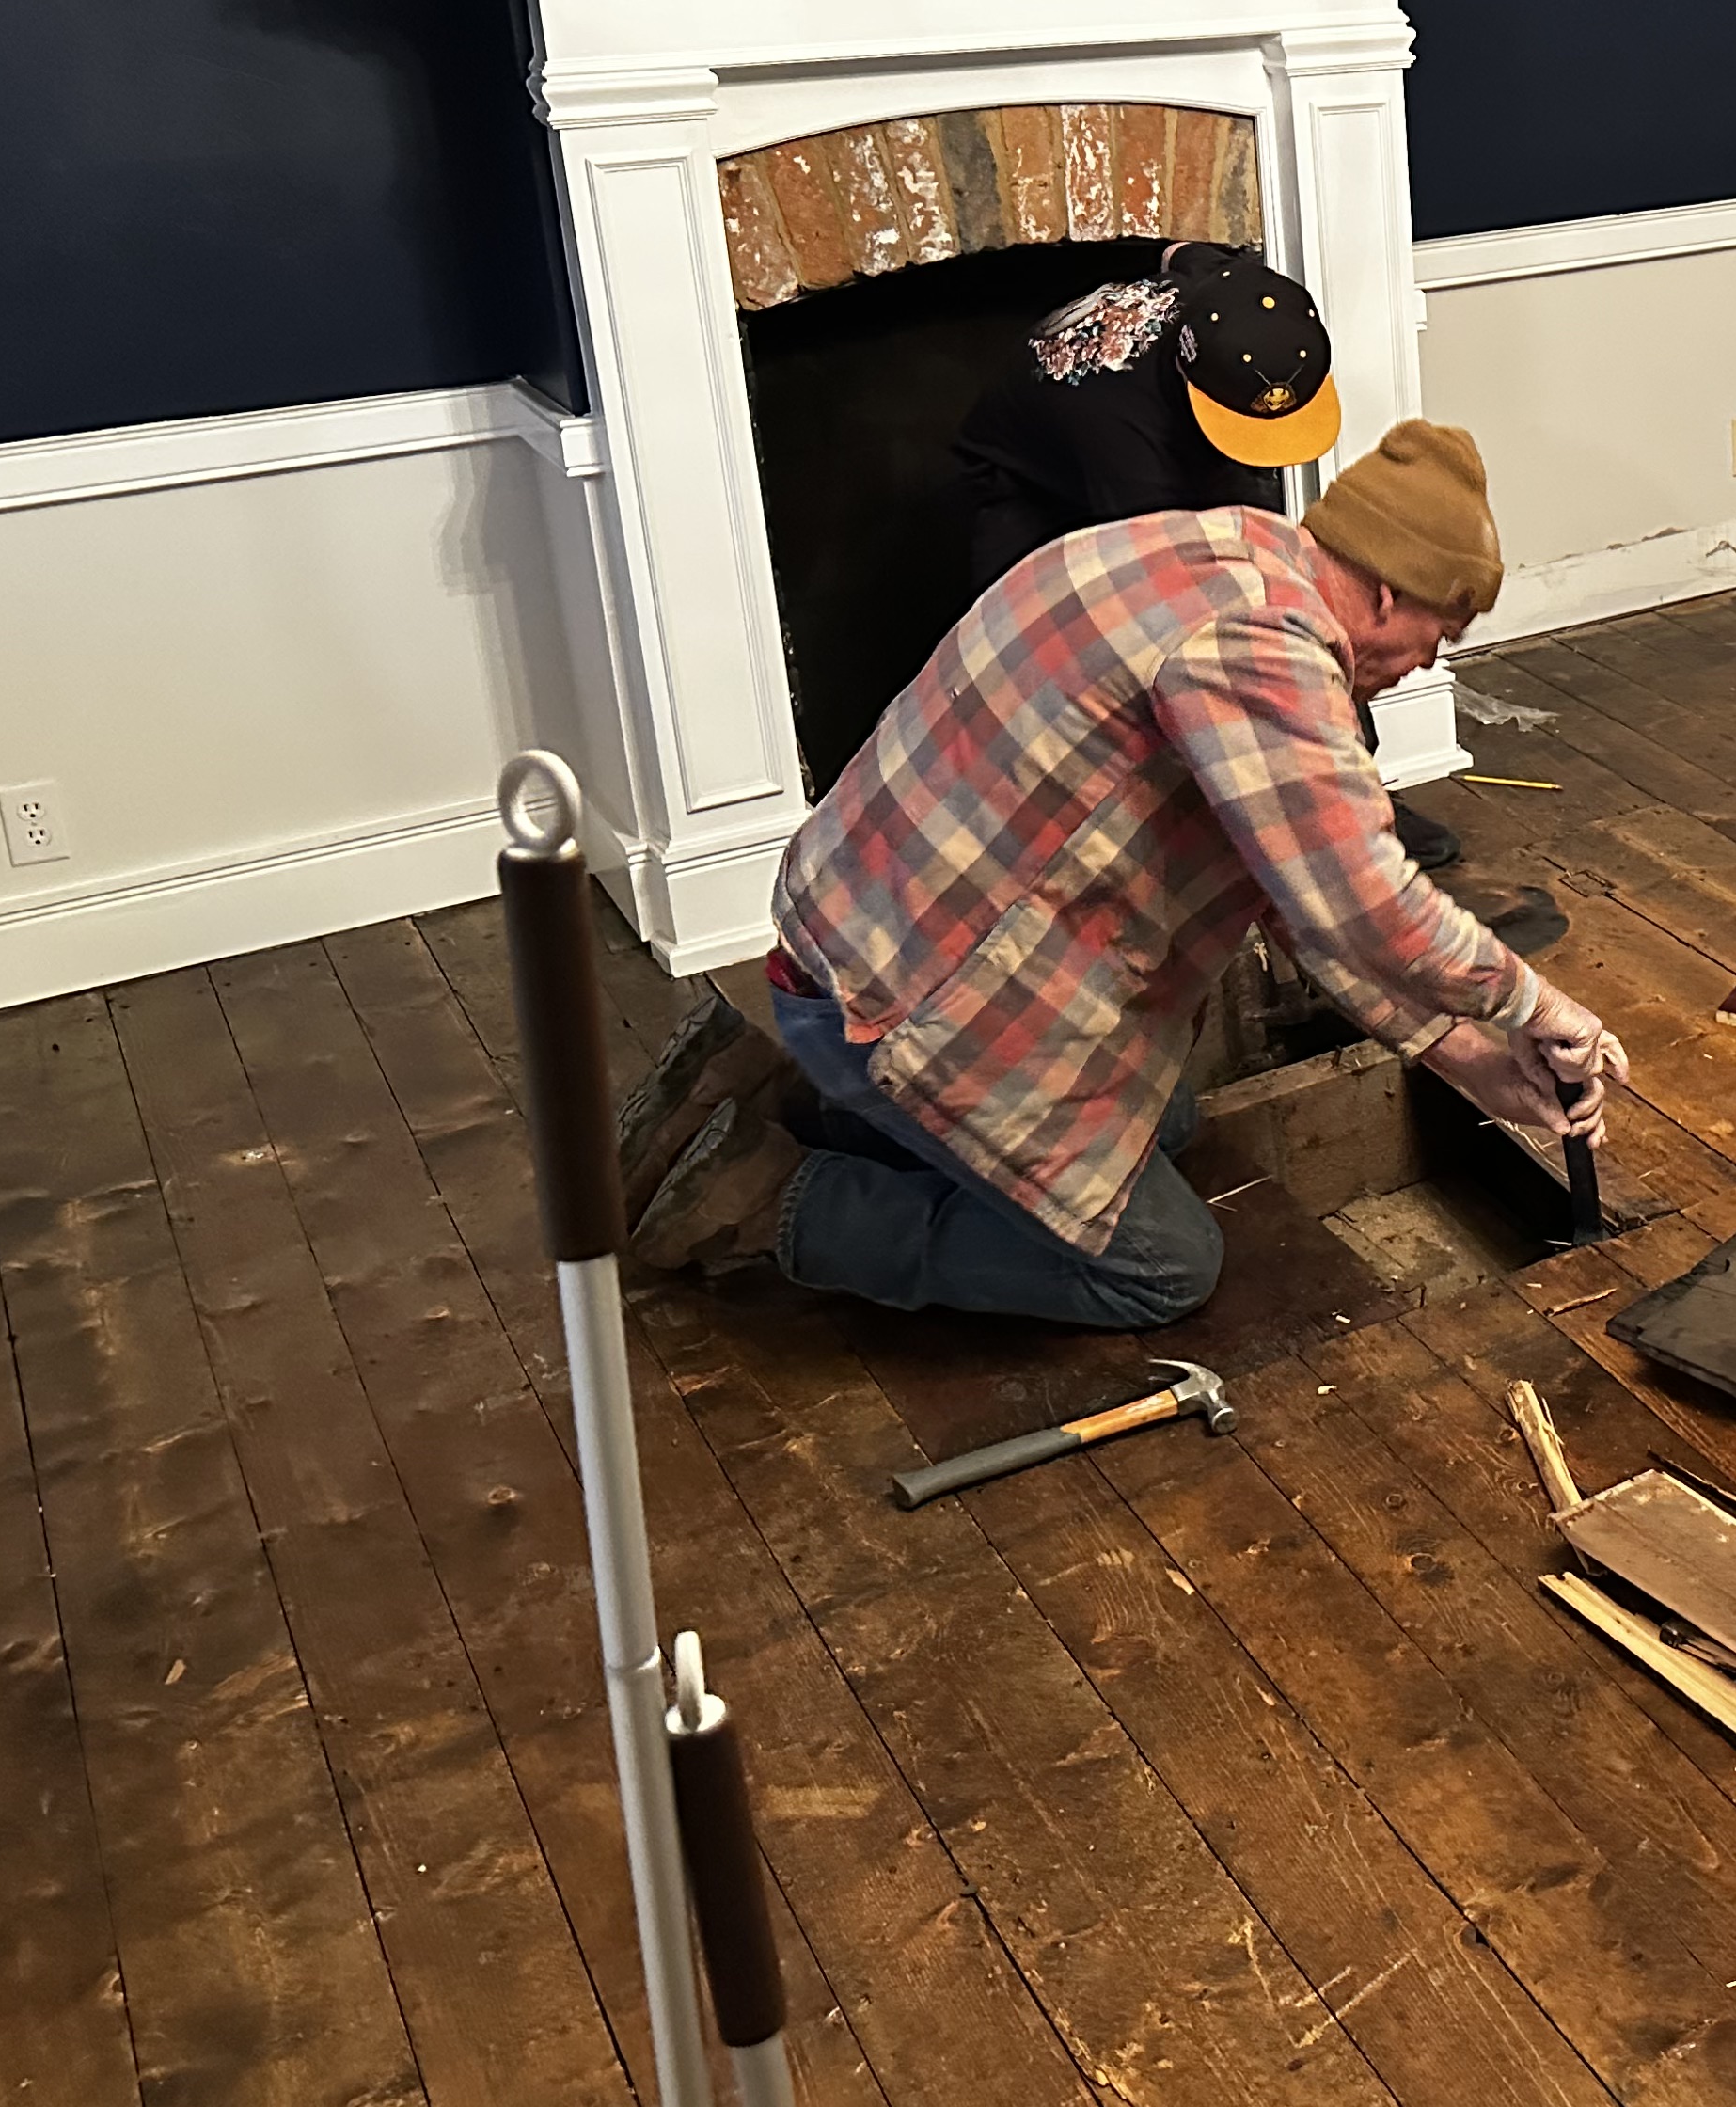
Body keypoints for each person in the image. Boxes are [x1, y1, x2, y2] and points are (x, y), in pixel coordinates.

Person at [623, 419, 1627, 1325]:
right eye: (1438, 636)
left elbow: (1302, 895)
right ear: (1385, 589)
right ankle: (772, 1202)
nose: (1424, 664)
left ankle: (763, 1099)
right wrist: (1533, 1005)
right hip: (896, 1007)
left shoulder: (1203, 553)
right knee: (1161, 1268)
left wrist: (1465, 1056)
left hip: (843, 939)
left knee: (1166, 1114)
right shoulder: (1260, 649)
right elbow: (1366, 900)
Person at [956, 239, 1467, 874]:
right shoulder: (1126, 438)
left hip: (1172, 420)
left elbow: (1179, 252)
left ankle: (1355, 798)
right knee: (1032, 664)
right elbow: (1177, 608)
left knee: (1296, 592)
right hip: (1025, 487)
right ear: (1191, 371)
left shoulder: (1240, 296)